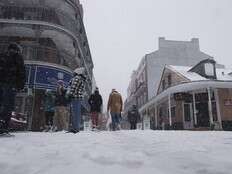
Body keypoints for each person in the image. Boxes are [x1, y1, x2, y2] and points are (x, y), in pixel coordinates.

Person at [0, 43, 26, 134]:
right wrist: (20, 85)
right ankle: (3, 124)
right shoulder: (17, 57)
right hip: (10, 84)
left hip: (2, 83)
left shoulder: (2, 55)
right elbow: (22, 72)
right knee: (8, 105)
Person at [67, 67, 86, 133]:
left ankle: (75, 128)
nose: (73, 74)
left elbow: (73, 87)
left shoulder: (77, 78)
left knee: (75, 113)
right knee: (76, 113)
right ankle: (75, 127)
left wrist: (70, 95)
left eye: (74, 72)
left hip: (75, 97)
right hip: (78, 97)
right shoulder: (81, 79)